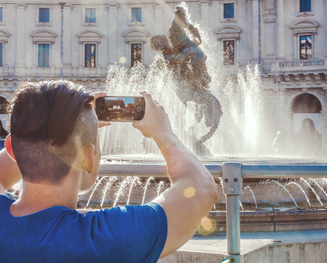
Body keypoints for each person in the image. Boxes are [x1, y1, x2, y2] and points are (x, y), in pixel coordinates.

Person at [0, 80, 218, 262]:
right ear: (87, 158)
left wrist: (53, 126)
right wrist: (163, 131)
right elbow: (202, 189)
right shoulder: (107, 238)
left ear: (10, 148)